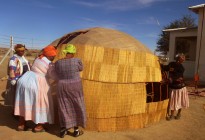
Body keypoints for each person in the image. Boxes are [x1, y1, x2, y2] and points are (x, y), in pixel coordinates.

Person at [14, 45, 57, 132]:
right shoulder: (49, 63)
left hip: (26, 80)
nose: (53, 57)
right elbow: (53, 76)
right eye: (52, 55)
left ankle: (21, 125)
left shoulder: (39, 58)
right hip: (37, 82)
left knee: (26, 101)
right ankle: (39, 126)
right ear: (48, 55)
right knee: (42, 102)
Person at [54, 44, 86, 138]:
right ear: (73, 53)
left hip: (62, 86)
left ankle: (64, 129)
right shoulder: (77, 61)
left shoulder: (58, 62)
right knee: (76, 106)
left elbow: (56, 71)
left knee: (64, 106)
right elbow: (81, 68)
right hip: (75, 87)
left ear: (66, 52)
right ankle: (76, 130)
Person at [5, 44, 30, 108]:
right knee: (15, 95)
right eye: (21, 51)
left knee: (20, 96)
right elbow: (11, 69)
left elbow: (28, 65)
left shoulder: (23, 58)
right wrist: (13, 79)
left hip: (23, 79)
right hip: (16, 80)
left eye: (23, 51)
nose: (23, 52)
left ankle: (19, 110)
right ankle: (14, 111)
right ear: (17, 51)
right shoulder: (13, 59)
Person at [166, 53, 189, 120]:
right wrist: (159, 64)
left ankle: (178, 114)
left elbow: (178, 77)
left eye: (184, 58)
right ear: (179, 58)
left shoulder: (181, 68)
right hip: (174, 87)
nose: (184, 59)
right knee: (173, 101)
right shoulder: (171, 64)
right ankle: (172, 115)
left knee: (180, 101)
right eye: (183, 57)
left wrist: (171, 79)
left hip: (180, 87)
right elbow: (166, 68)